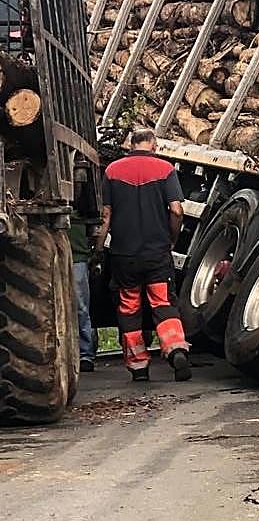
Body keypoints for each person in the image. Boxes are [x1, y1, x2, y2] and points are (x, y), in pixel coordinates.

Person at [95, 128, 191, 381]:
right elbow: (176, 210)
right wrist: (172, 238)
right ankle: (176, 349)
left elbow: (106, 215)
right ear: (154, 145)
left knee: (129, 307)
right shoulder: (165, 169)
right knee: (163, 303)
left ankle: (138, 366)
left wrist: (99, 248)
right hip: (156, 254)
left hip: (124, 256)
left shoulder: (112, 171)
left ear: (131, 145)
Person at [69, 206, 96, 373]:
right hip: (76, 255)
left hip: (77, 255)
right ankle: (84, 353)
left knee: (81, 307)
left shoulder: (83, 204)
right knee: (81, 307)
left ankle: (85, 353)